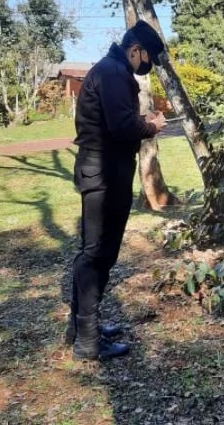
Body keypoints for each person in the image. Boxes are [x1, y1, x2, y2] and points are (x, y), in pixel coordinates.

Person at [66, 20, 168, 360]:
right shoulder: (112, 72)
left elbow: (118, 122)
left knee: (97, 254)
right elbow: (122, 126)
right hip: (103, 176)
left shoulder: (111, 70)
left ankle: (81, 327)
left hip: (105, 172)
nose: (144, 66)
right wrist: (152, 125)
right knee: (97, 254)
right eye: (146, 58)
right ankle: (87, 340)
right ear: (135, 48)